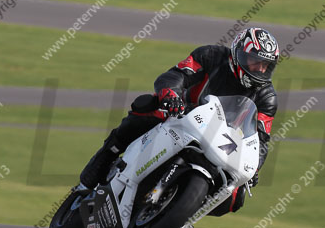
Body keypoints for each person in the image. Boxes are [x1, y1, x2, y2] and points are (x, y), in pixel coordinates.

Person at [79, 27, 279, 214]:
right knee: (143, 109)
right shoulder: (211, 55)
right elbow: (176, 75)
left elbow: (260, 140)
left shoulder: (267, 97)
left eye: (265, 65)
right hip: (182, 114)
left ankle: (182, 212)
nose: (259, 69)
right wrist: (171, 95)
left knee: (237, 196)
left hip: (220, 142)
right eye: (254, 61)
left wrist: (254, 168)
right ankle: (91, 177)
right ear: (239, 54)